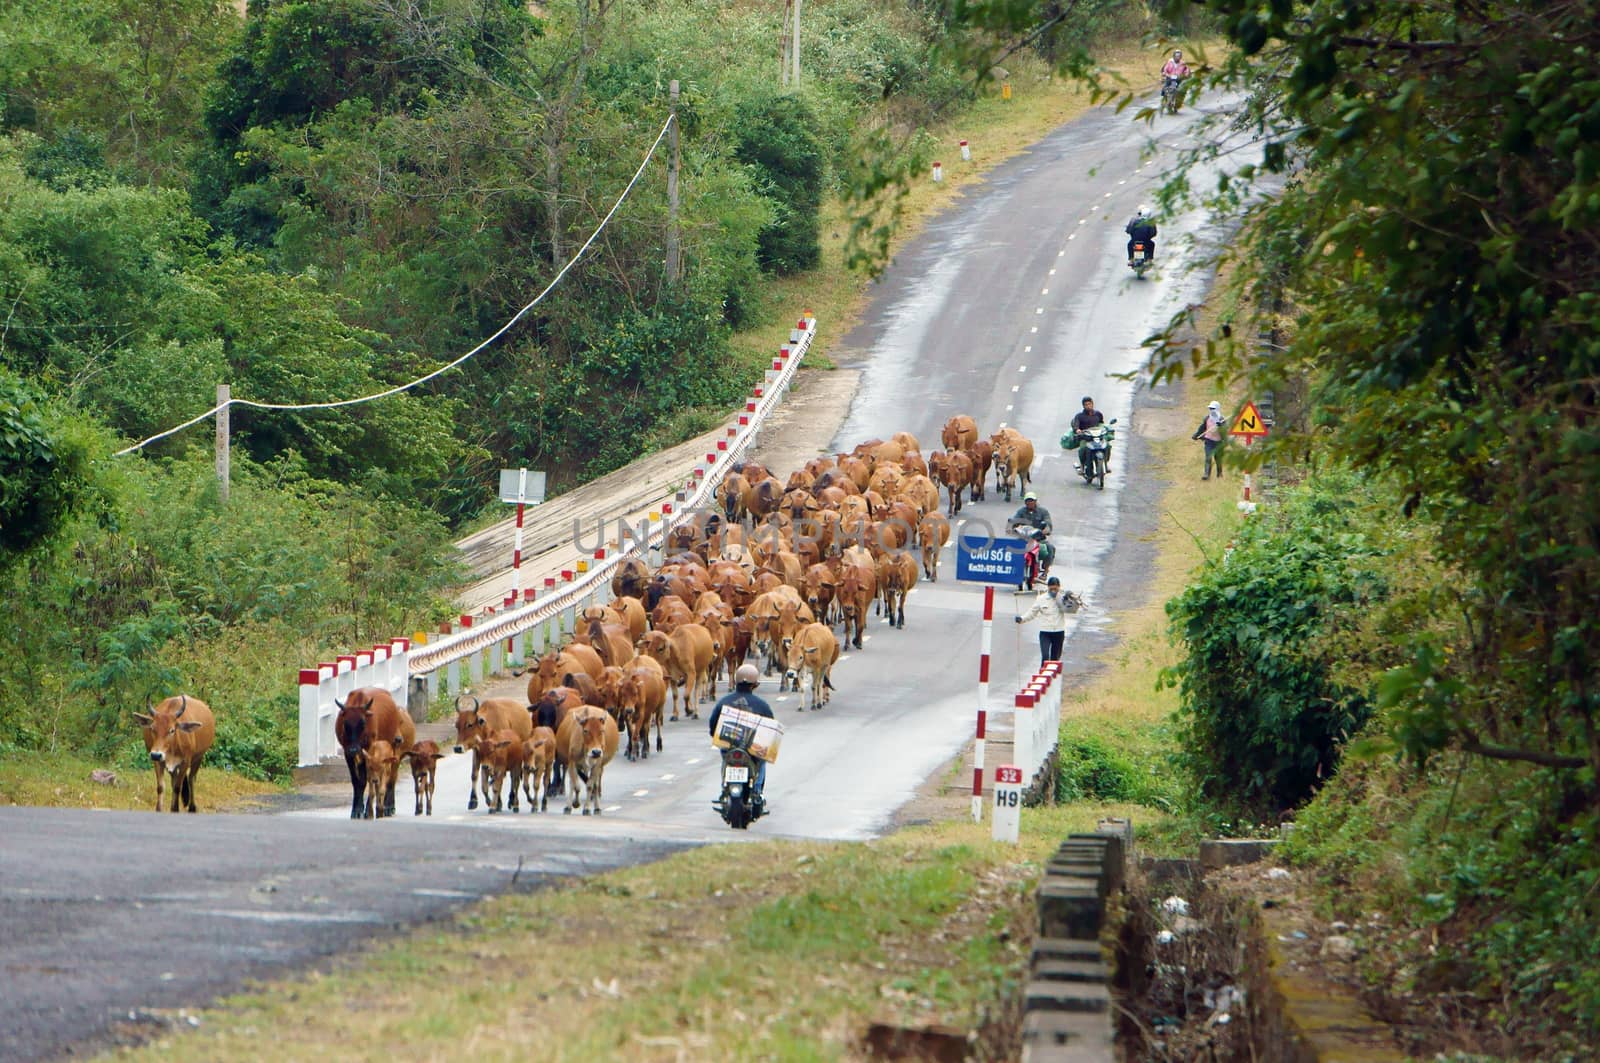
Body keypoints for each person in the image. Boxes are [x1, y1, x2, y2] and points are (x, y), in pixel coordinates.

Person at [708, 663, 774, 804]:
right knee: (761, 763)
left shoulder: (724, 702)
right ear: (754, 684)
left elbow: (713, 724)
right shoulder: (761, 705)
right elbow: (770, 729)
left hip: (729, 747)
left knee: (726, 759)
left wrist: (716, 736)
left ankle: (724, 787)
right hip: (751, 751)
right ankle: (757, 791)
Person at [1014, 576, 1082, 666]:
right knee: (1045, 657)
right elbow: (1032, 612)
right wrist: (1022, 619)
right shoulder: (1041, 598)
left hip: (1059, 632)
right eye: (1052, 587)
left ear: (1059, 587)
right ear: (1048, 587)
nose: (1054, 590)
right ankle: (1042, 673)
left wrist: (1073, 600)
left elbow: (1072, 610)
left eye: (1056, 587)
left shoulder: (1063, 598)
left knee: (1054, 659)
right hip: (1045, 633)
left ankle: (1053, 679)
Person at [1071, 396, 1107, 473]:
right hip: (1085, 438)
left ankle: (1106, 464)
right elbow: (1076, 425)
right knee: (1083, 449)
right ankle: (1082, 466)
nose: (1088, 406)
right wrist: (1077, 430)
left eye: (1089, 404)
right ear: (1083, 406)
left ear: (1092, 404)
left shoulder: (1098, 414)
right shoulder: (1079, 416)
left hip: (1097, 437)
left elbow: (1101, 424)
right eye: (1086, 405)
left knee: (1107, 446)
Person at [1191, 400, 1225, 480]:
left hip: (1219, 442)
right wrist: (1196, 435)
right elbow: (1202, 428)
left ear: (1217, 409)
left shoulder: (1221, 419)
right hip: (1209, 441)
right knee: (1208, 457)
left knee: (1218, 459)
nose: (1211, 410)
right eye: (1210, 408)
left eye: (1213, 408)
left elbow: (1225, 431)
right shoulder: (1207, 418)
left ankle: (1219, 474)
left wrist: (1221, 426)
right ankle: (1206, 474)